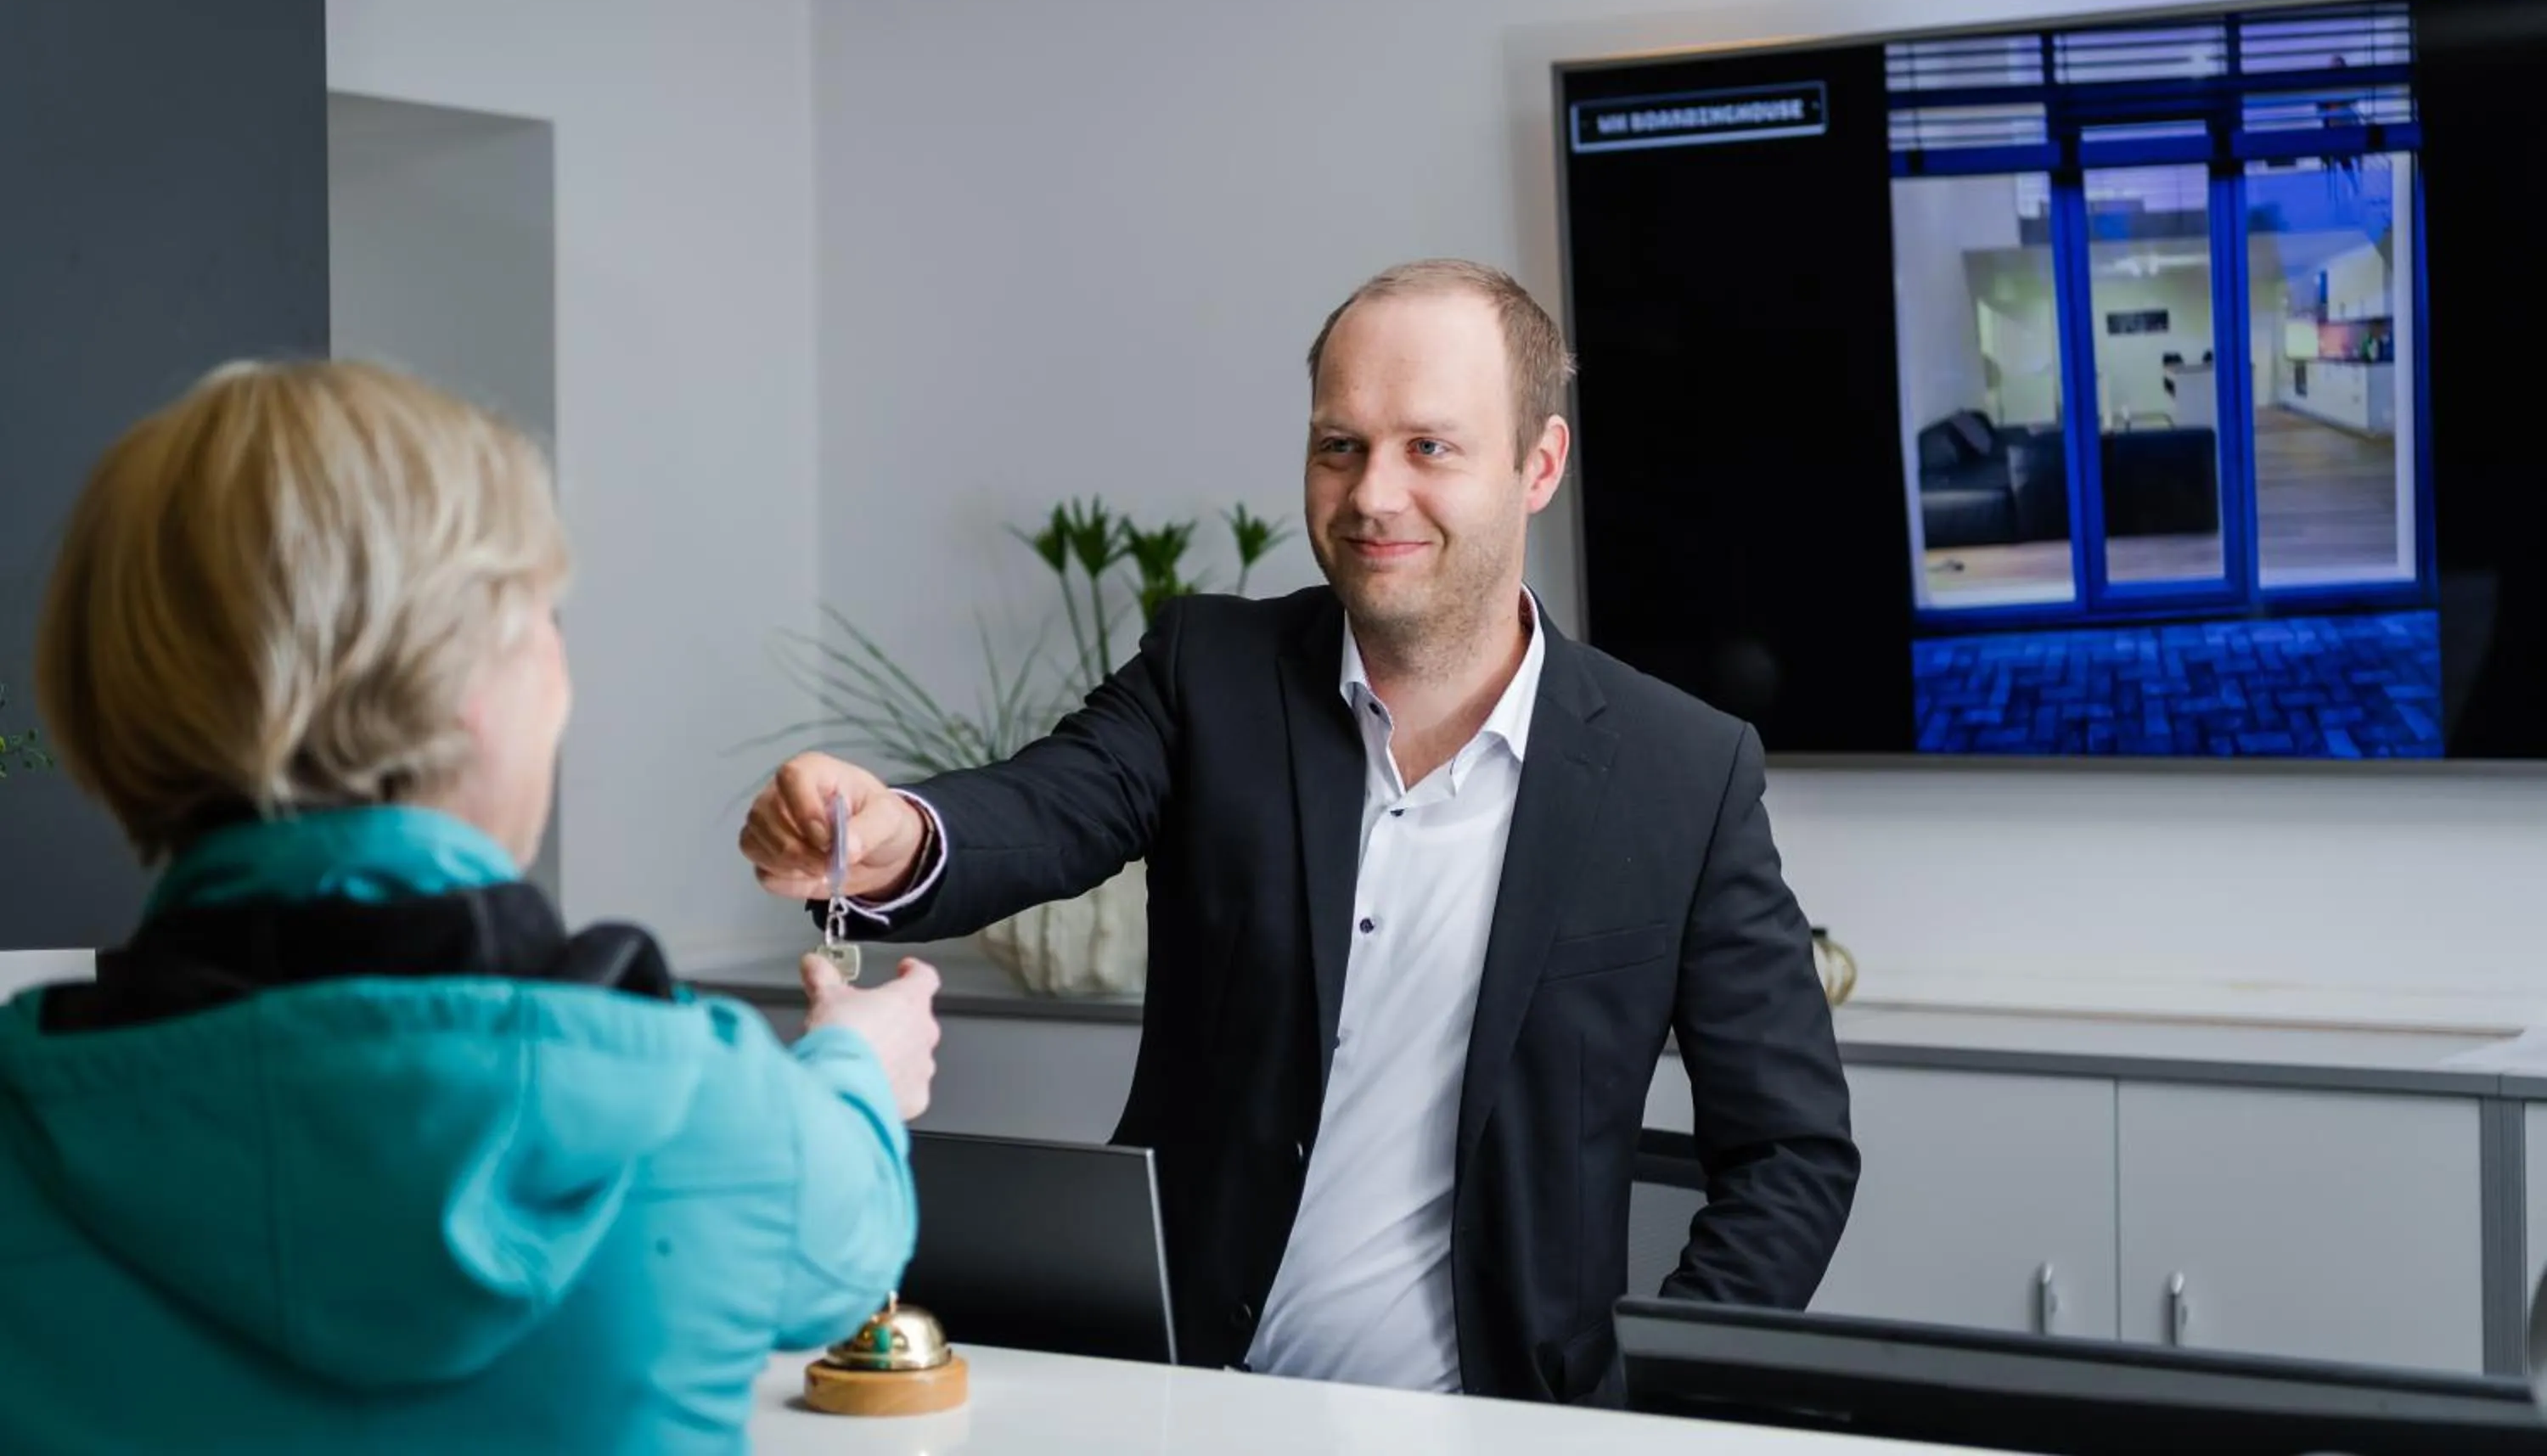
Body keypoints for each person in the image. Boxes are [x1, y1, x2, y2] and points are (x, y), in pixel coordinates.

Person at [741, 260, 1858, 1405]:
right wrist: (892, 835)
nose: (1373, 494)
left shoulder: (1683, 769)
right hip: (1176, 1399)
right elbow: (1043, 806)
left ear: (1540, 465)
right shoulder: (1209, 671)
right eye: (1340, 445)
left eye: (1429, 447)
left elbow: (1790, 1152)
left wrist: (1658, 1410)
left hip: (1511, 1426)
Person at [0, 359, 941, 1453]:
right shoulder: (718, 1111)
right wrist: (850, 1074)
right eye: (543, 618)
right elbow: (849, 1241)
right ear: (474, 696)